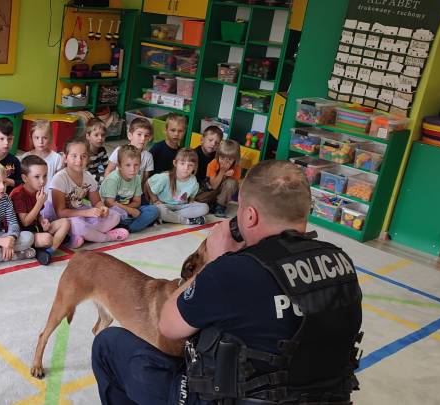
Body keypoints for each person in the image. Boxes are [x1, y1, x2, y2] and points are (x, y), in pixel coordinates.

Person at [91, 160, 364, 405]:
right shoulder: (341, 262)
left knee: (108, 344)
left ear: (249, 216)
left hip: (232, 399)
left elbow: (168, 325)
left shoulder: (234, 270)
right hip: (327, 397)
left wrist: (214, 262)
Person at [50, 138, 128, 249]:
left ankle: (84, 236)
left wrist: (102, 208)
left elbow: (96, 202)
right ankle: (105, 237)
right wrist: (87, 213)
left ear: (88, 158)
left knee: (114, 216)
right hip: (61, 218)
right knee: (79, 226)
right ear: (65, 158)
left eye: (83, 156)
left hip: (81, 212)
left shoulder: (88, 176)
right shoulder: (59, 178)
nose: (79, 160)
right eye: (74, 156)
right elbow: (60, 213)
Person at [9, 155, 71, 265]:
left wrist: (42, 220)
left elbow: (37, 215)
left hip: (36, 229)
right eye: (37, 177)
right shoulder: (18, 194)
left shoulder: (37, 190)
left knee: (65, 222)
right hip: (22, 234)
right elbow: (25, 222)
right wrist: (39, 203)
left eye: (45, 176)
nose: (42, 181)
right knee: (47, 239)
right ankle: (43, 246)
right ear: (25, 178)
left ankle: (49, 251)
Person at [100, 145, 158, 233]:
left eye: (136, 165)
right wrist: (131, 211)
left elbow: (137, 202)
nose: (133, 169)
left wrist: (129, 210)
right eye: (128, 165)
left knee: (154, 210)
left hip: (127, 209)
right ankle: (134, 224)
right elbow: (109, 203)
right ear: (119, 166)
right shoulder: (113, 179)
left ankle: (127, 228)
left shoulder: (137, 178)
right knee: (115, 214)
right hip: (112, 211)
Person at [149, 148, 209, 225]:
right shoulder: (165, 177)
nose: (186, 168)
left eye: (190, 165)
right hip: (165, 205)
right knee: (159, 209)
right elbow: (148, 184)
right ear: (175, 163)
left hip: (181, 206)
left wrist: (191, 203)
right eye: (182, 163)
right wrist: (155, 200)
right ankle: (186, 221)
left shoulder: (193, 180)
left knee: (205, 207)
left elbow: (191, 198)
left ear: (195, 167)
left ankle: (168, 218)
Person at [105, 118, 155, 201]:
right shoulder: (119, 150)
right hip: (116, 190)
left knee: (148, 207)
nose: (143, 139)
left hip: (134, 193)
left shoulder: (148, 156)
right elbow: (108, 171)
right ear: (130, 136)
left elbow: (145, 180)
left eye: (146, 136)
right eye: (139, 134)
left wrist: (140, 195)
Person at [196, 139, 242, 218]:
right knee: (199, 201)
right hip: (210, 190)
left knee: (231, 183)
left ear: (235, 159)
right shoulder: (213, 164)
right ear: (218, 155)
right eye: (222, 158)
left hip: (222, 194)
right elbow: (213, 186)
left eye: (230, 159)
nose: (225, 162)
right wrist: (222, 172)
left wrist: (226, 176)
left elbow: (230, 188)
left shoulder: (236, 168)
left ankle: (220, 206)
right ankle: (212, 204)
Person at [85, 118, 110, 184]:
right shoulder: (85, 152)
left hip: (95, 176)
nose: (100, 138)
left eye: (103, 135)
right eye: (96, 135)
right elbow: (84, 175)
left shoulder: (102, 150)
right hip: (84, 177)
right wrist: (103, 179)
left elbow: (107, 167)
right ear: (88, 136)